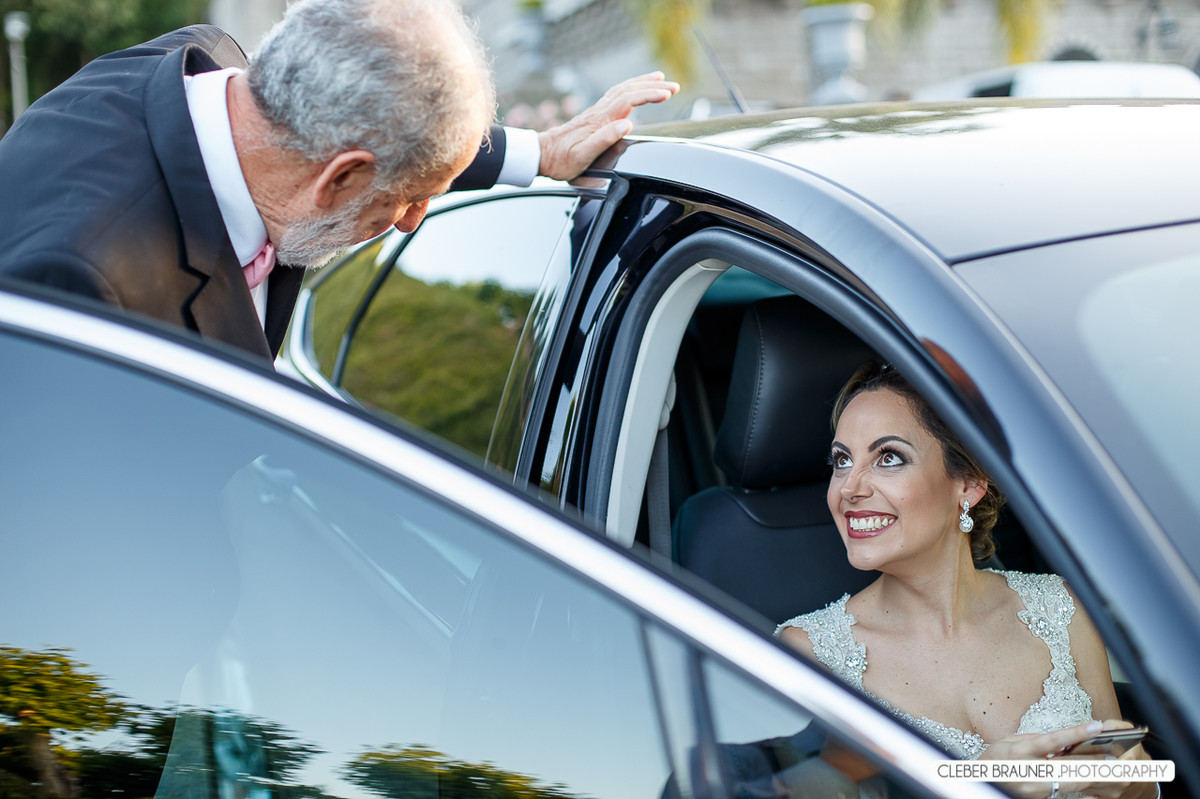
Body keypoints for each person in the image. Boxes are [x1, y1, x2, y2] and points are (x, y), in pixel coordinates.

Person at [0, 0, 677, 362]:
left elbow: (382, 120)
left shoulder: (229, 82)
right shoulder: (79, 281)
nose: (414, 218)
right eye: (408, 199)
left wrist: (540, 152)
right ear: (340, 176)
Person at [777, 361, 1155, 799]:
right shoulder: (808, 654)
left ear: (970, 484)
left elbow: (1130, 783)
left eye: (888, 457)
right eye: (842, 461)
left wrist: (1139, 781)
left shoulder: (1060, 608)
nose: (849, 487)